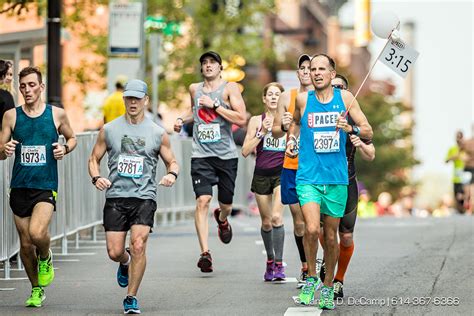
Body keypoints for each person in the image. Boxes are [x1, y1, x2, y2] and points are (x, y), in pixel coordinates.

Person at [286, 54, 373, 309]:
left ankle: (328, 285)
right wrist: (292, 141)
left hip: (336, 178)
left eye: (322, 69)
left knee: (331, 236)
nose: (316, 73)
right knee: (312, 229)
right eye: (313, 69)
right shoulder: (303, 100)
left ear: (332, 74)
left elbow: (368, 130)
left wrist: (351, 128)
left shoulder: (345, 99)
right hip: (308, 176)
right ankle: (312, 277)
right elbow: (294, 123)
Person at [88, 79, 179, 314]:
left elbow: (172, 161)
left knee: (138, 244)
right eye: (129, 98)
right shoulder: (109, 130)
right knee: (114, 252)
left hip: (144, 197)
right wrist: (97, 178)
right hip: (116, 196)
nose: (133, 102)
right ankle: (124, 262)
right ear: (124, 99)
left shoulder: (158, 133)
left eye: (138, 98)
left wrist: (172, 174)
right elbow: (93, 159)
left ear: (146, 100)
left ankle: (131, 296)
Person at [0, 66, 76, 307]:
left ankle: (46, 255)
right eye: (23, 86)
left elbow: (72, 138)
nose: (27, 90)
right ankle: (36, 289)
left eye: (32, 85)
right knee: (24, 244)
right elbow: (0, 151)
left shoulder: (57, 114)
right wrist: (5, 149)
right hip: (20, 185)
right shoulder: (11, 116)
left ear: (41, 87)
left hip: (45, 185)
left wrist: (64, 148)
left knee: (36, 233)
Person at [173, 51, 246, 273]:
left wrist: (215, 106)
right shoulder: (194, 89)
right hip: (201, 155)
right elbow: (193, 111)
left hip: (225, 156)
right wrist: (180, 119)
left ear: (220, 67)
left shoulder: (230, 88)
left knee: (226, 205)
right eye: (204, 62)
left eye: (212, 62)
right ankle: (205, 253)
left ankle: (222, 219)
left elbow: (241, 119)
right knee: (202, 201)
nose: (207, 65)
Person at [318, 74, 375, 300]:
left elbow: (371, 152)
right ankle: (327, 258)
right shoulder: (317, 113)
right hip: (322, 180)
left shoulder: (353, 118)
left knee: (347, 236)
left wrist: (356, 137)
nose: (337, 90)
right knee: (323, 232)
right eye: (334, 87)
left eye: (341, 88)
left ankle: (339, 280)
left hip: (348, 181)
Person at [272, 54, 313, 288]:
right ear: (298, 73)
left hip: (314, 166)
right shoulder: (287, 97)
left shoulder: (320, 97)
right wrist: (285, 125)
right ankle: (306, 265)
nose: (307, 71)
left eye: (310, 68)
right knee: (299, 222)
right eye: (303, 68)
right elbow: (276, 132)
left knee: (313, 223)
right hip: (292, 164)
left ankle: (315, 266)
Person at [242, 82, 286, 281]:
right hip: (261, 174)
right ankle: (270, 260)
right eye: (270, 94)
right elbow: (244, 151)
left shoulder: (287, 119)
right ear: (264, 99)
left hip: (281, 173)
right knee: (267, 222)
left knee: (277, 217)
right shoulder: (255, 121)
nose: (274, 97)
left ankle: (279, 263)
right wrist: (262, 133)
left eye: (278, 94)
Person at [445, 131, 466, 213]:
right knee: (457, 195)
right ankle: (460, 210)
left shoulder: (466, 148)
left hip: (466, 175)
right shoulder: (452, 149)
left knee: (464, 194)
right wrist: (453, 157)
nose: (459, 139)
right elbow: (446, 160)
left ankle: (465, 208)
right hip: (456, 177)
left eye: (460, 137)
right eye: (457, 137)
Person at [0, 60, 15, 129]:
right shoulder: (6, 96)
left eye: (11, 74)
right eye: (6, 74)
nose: (9, 77)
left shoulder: (10, 93)